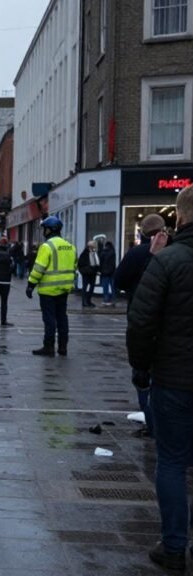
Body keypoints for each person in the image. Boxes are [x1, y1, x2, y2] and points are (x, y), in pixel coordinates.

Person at [126, 185, 193, 572]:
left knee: (171, 460)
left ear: (181, 217)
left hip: (175, 379)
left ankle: (173, 547)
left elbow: (141, 320)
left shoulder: (168, 261)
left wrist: (141, 368)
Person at [117, 213, 170, 439]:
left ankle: (153, 424)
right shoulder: (179, 251)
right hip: (174, 324)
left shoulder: (138, 254)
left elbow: (118, 280)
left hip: (144, 318)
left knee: (143, 374)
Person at [25, 216, 77, 356]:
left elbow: (39, 268)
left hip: (48, 290)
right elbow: (74, 267)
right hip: (64, 289)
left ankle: (48, 347)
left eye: (44, 229)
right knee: (62, 318)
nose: (43, 231)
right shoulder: (70, 246)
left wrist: (31, 285)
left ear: (50, 229)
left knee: (49, 319)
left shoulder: (47, 246)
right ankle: (63, 347)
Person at [77, 240, 100, 308]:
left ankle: (88, 301)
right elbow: (80, 264)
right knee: (85, 287)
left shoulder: (94, 253)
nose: (94, 248)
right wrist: (85, 270)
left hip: (93, 273)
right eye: (93, 246)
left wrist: (96, 269)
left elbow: (97, 262)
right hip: (87, 273)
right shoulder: (84, 254)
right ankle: (84, 302)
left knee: (92, 287)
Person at [98, 239, 117, 306]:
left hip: (104, 273)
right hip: (112, 272)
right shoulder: (113, 252)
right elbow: (113, 264)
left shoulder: (103, 252)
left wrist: (100, 270)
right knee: (112, 287)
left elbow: (100, 262)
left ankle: (106, 300)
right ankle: (113, 300)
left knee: (105, 287)